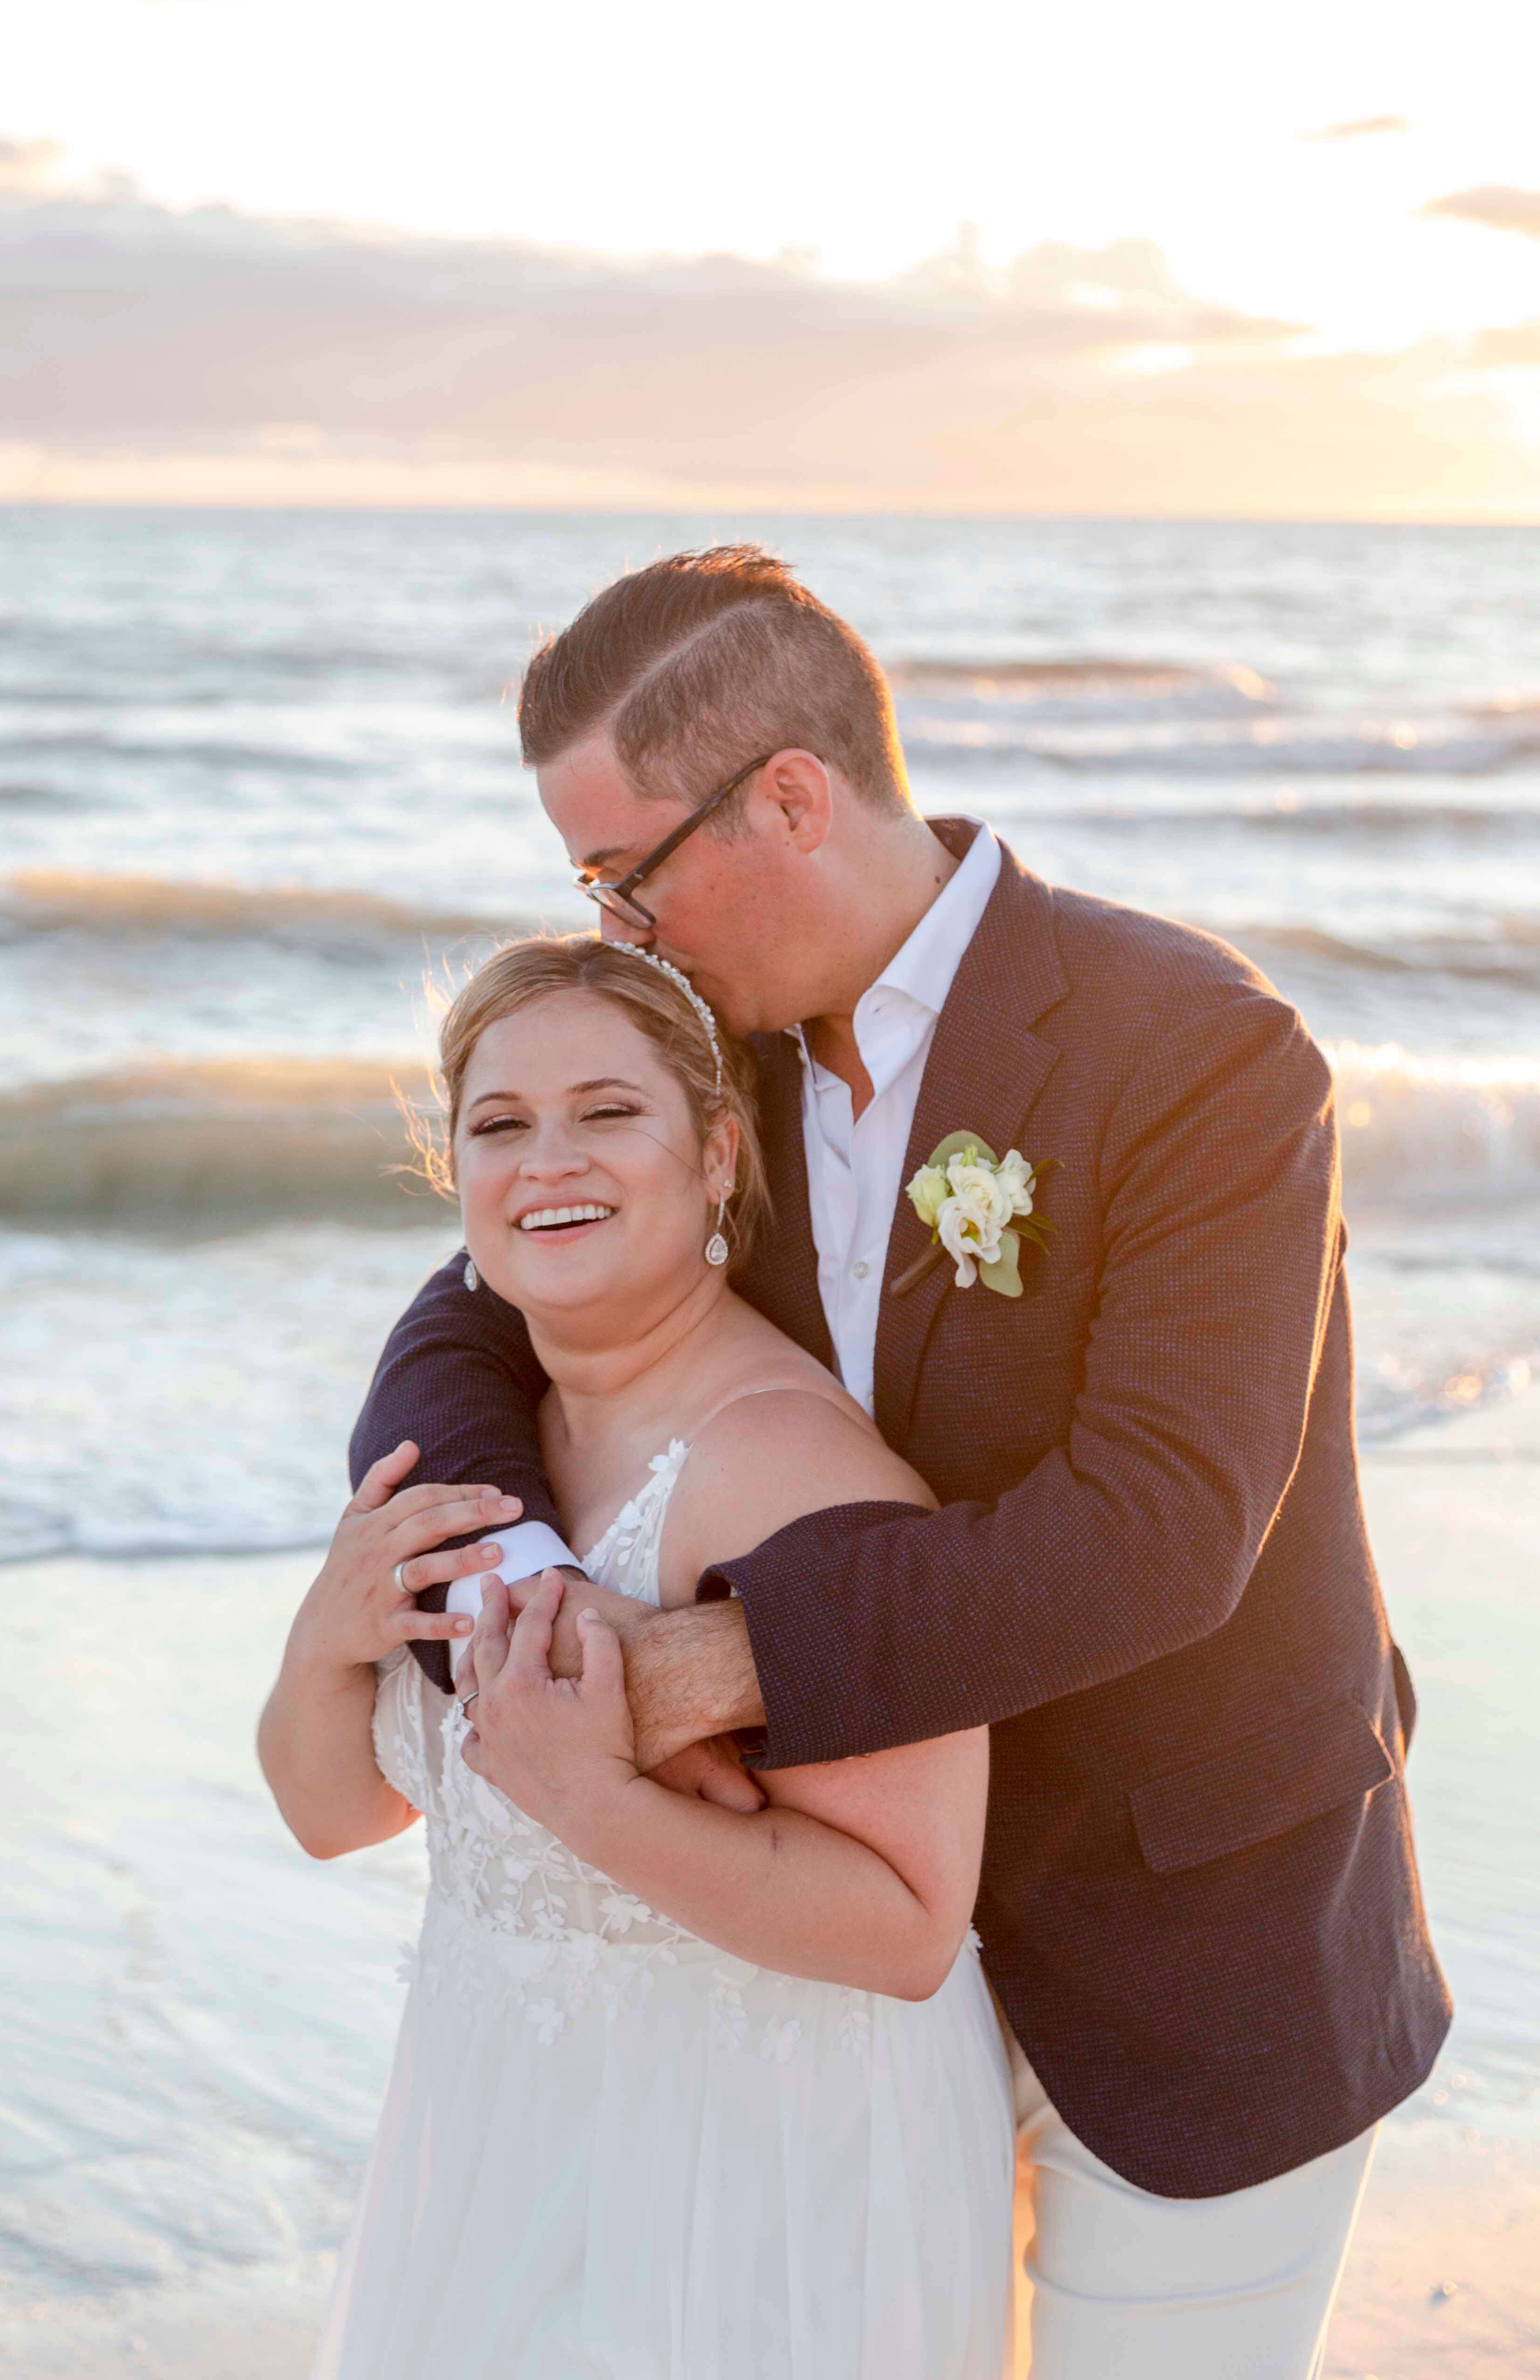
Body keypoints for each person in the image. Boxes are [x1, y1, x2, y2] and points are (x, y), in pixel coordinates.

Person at [345, 546, 1451, 2379]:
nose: (620, 931)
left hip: (1188, 1936)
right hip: (850, 1969)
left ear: (786, 798)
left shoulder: (1200, 1056)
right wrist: (514, 1571)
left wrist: (693, 1669)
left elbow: (1165, 1535)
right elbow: (473, 1304)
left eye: (626, 876)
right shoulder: (721, 1071)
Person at [259, 936, 1015, 2378]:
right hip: (498, 2127)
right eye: (502, 1125)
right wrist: (326, 1636)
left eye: (609, 1114)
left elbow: (910, 1926)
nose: (551, 1161)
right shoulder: (475, 1466)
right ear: (457, 1176)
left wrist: (598, 1803)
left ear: (717, 1154)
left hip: (761, 2176)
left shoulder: (788, 1468)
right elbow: (334, 1811)